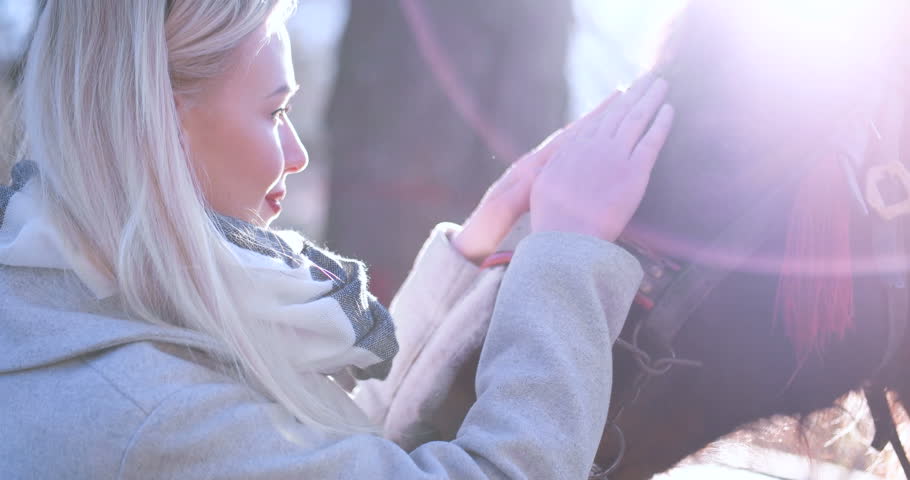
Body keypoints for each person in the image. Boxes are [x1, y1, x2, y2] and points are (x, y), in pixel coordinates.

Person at [0, 1, 673, 478]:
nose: (296, 153)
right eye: (275, 112)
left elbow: (334, 449)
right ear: (161, 123)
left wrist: (478, 241)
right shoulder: (149, 415)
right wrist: (566, 255)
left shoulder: (82, 301)